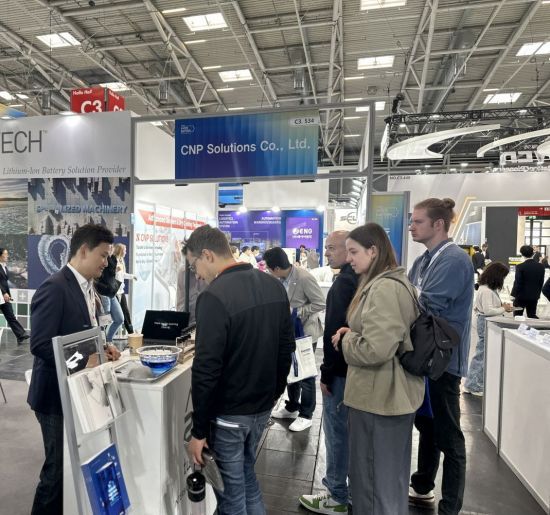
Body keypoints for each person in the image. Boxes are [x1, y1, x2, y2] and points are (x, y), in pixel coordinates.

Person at [184, 225, 295, 515]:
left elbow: (206, 369)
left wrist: (198, 431)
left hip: (230, 415)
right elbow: (286, 347)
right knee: (246, 478)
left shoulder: (214, 296)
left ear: (207, 255)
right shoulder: (273, 285)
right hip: (261, 407)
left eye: (194, 265)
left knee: (231, 498)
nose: (197, 275)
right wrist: (274, 392)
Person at [27, 224, 121, 515]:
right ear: (83, 250)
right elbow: (40, 345)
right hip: (54, 396)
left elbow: (83, 332)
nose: (106, 262)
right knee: (56, 471)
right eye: (103, 255)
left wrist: (103, 347)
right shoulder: (55, 288)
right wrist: (82, 360)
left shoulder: (88, 287)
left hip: (79, 391)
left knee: (70, 467)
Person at [333, 223, 423, 515]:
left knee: (373, 484)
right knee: (386, 482)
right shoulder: (389, 283)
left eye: (354, 252)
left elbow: (376, 349)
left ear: (373, 251)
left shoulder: (384, 288)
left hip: (379, 400)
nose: (349, 258)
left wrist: (346, 339)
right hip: (385, 397)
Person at [408, 198, 474, 515]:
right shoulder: (425, 260)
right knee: (428, 426)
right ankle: (423, 485)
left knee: (450, 437)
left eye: (417, 221)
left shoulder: (454, 260)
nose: (411, 227)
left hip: (444, 362)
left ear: (438, 224)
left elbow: (423, 304)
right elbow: (411, 295)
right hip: (426, 358)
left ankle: (450, 508)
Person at [299, 231, 358, 514]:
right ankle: (348, 493)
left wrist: (326, 373)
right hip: (352, 370)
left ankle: (336, 496)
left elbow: (334, 332)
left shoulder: (345, 282)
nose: (326, 253)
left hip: (341, 373)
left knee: (336, 433)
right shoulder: (357, 280)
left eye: (332, 248)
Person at [265, 247, 325, 432]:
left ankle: (306, 415)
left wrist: (297, 312)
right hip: (288, 333)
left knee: (306, 374)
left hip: (304, 332)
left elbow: (320, 302)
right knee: (291, 371)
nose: (268, 272)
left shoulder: (304, 277)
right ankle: (292, 406)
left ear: (276, 268)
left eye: (269, 268)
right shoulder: (281, 279)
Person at [464, 262, 513, 397]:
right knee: (482, 355)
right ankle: (473, 385)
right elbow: (488, 310)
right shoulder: (486, 290)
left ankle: (473, 383)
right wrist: (503, 308)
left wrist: (502, 307)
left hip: (485, 322)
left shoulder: (486, 289)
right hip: (485, 322)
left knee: (482, 354)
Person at [0, 247, 30, 344]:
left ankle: (20, 335)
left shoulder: (4, 267)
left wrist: (7, 293)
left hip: (5, 296)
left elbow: (7, 279)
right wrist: (3, 292)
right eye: (5, 254)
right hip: (2, 294)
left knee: (10, 316)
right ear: (0, 256)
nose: (7, 256)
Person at [95, 247, 125, 344]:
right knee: (104, 321)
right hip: (103, 292)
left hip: (111, 293)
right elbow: (99, 276)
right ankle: (102, 343)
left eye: (112, 246)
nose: (111, 248)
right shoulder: (102, 258)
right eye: (109, 246)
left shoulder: (113, 258)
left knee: (119, 319)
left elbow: (111, 274)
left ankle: (108, 340)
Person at [511, 245, 545, 319]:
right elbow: (541, 282)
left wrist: (513, 294)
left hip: (521, 296)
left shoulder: (520, 266)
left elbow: (518, 283)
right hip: (534, 296)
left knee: (518, 316)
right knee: (532, 315)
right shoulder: (541, 267)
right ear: (533, 253)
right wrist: (537, 294)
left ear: (522, 254)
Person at [113, 243, 136, 334]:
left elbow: (122, 275)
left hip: (120, 291)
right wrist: (115, 270)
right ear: (120, 251)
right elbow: (109, 274)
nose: (125, 252)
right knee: (113, 315)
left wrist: (132, 276)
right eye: (124, 250)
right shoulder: (112, 260)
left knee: (126, 312)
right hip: (114, 292)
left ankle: (131, 333)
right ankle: (105, 336)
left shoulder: (121, 261)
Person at [175, 256, 206, 323]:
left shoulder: (208, 270)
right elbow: (181, 304)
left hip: (204, 320)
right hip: (189, 321)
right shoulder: (183, 272)